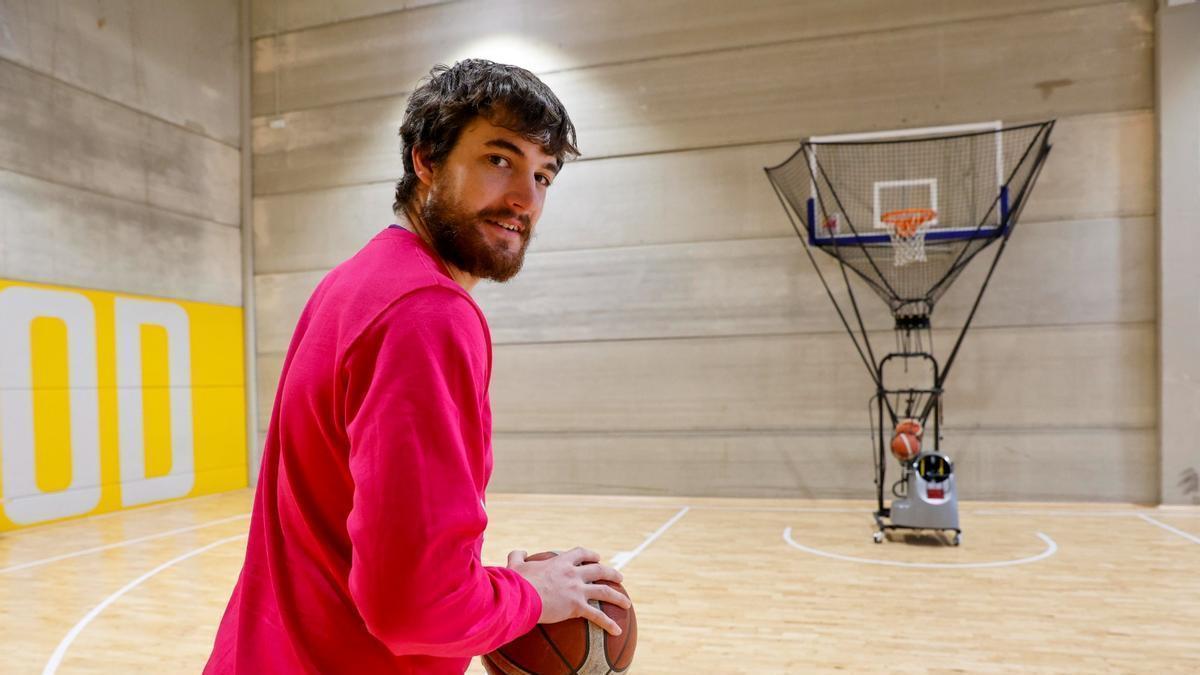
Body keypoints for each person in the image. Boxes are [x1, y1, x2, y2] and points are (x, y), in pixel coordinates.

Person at [205, 60, 629, 674]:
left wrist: (497, 590)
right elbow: (416, 609)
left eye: (543, 175)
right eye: (499, 159)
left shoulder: (357, 282)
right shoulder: (426, 313)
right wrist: (531, 597)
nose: (524, 199)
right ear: (427, 159)